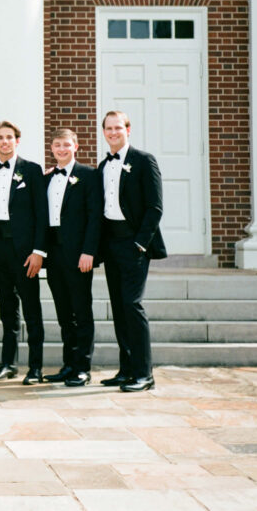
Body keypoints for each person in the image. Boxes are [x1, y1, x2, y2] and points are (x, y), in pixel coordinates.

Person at [97, 110, 165, 392]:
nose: (113, 133)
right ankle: (126, 369)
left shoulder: (144, 160)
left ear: (128, 129)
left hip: (134, 244)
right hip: (111, 244)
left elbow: (155, 207)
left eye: (118, 128)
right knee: (119, 306)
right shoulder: (103, 165)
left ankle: (144, 373)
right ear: (104, 132)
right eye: (108, 129)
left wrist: (141, 242)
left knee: (132, 305)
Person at [0, 120, 48, 385]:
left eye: (9, 137)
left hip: (26, 251)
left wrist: (38, 251)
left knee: (32, 308)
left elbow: (42, 214)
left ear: (17, 141)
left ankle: (35, 367)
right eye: (0, 137)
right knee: (7, 308)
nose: (5, 141)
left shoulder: (31, 171)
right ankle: (8, 363)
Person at [43, 128, 102, 387]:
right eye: (57, 145)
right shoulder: (46, 178)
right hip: (53, 254)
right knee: (63, 312)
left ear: (75, 146)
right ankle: (68, 364)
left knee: (81, 311)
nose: (61, 149)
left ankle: (83, 367)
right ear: (52, 148)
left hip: (79, 254)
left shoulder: (89, 175)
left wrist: (89, 251)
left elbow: (95, 216)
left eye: (66, 145)